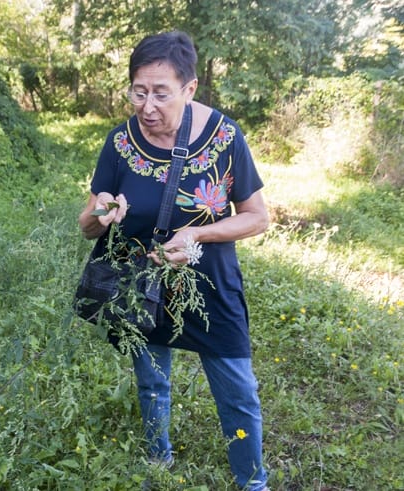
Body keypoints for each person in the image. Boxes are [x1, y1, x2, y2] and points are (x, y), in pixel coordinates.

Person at [78, 31, 271, 491]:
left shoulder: (225, 137)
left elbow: (257, 217)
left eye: (161, 93)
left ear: (189, 88)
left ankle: (252, 482)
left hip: (210, 286)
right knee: (151, 381)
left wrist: (198, 232)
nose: (148, 106)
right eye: (138, 92)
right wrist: (103, 211)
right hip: (138, 284)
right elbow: (87, 226)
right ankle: (157, 460)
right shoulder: (120, 142)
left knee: (239, 394)